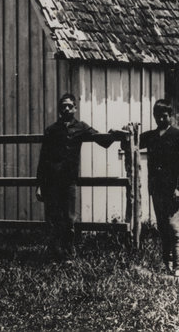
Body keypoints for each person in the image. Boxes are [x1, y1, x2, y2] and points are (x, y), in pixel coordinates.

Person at [35, 92, 123, 261]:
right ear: (60, 109)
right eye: (63, 106)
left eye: (69, 105)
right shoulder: (52, 130)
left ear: (75, 108)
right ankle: (53, 255)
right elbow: (43, 158)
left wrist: (114, 134)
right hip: (51, 181)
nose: (66, 108)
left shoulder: (81, 127)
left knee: (68, 219)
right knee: (53, 219)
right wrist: (39, 185)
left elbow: (102, 140)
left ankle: (67, 255)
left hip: (68, 181)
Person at [139, 99, 179, 277]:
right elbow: (131, 142)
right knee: (162, 227)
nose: (162, 118)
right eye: (158, 115)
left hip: (173, 190)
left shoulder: (178, 136)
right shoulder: (151, 137)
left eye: (165, 115)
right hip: (157, 189)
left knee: (175, 226)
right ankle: (167, 262)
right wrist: (124, 132)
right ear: (154, 116)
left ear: (170, 115)